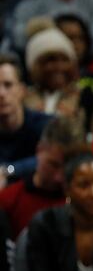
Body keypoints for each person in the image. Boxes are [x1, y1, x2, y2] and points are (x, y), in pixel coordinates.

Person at [0, 54, 51, 185]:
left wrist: (9, 170)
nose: (1, 94)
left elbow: (52, 156)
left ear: (22, 90)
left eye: (8, 85)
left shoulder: (45, 125)